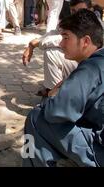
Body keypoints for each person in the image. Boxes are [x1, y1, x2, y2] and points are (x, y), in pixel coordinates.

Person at [23, 9, 104, 167]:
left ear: (86, 41)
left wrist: (53, 95)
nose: (61, 44)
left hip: (99, 151)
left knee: (35, 117)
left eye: (66, 37)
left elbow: (56, 113)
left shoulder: (90, 69)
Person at [22, 0, 94, 97]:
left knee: (52, 53)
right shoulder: (72, 21)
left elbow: (60, 39)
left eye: (81, 11)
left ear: (90, 10)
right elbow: (54, 33)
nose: (77, 15)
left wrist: (35, 43)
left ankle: (58, 97)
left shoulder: (93, 25)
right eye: (73, 11)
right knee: (53, 51)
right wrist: (32, 44)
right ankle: (52, 91)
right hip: (80, 65)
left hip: (92, 70)